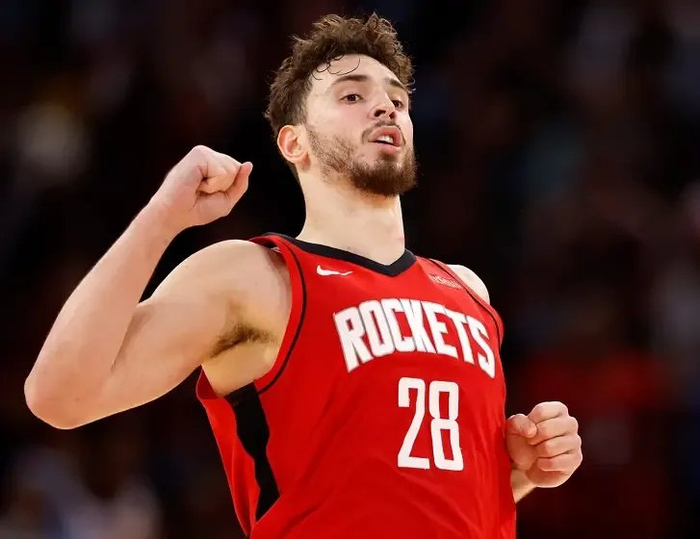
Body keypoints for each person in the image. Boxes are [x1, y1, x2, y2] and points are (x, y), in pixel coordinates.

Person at [25, 13, 583, 538]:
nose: (384, 108)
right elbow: (59, 396)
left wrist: (521, 471)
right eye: (352, 96)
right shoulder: (255, 276)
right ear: (295, 142)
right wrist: (161, 217)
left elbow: (430, 496)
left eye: (397, 99)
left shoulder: (466, 291)